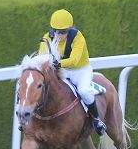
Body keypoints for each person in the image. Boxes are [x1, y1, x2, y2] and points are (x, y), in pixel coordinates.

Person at [38, 8, 105, 136]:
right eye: (56, 31)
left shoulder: (78, 38)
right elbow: (42, 56)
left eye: (63, 32)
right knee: (42, 88)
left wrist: (58, 63)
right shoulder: (47, 38)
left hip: (80, 71)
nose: (59, 35)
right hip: (62, 71)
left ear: (69, 29)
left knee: (83, 91)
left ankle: (97, 120)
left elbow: (74, 61)